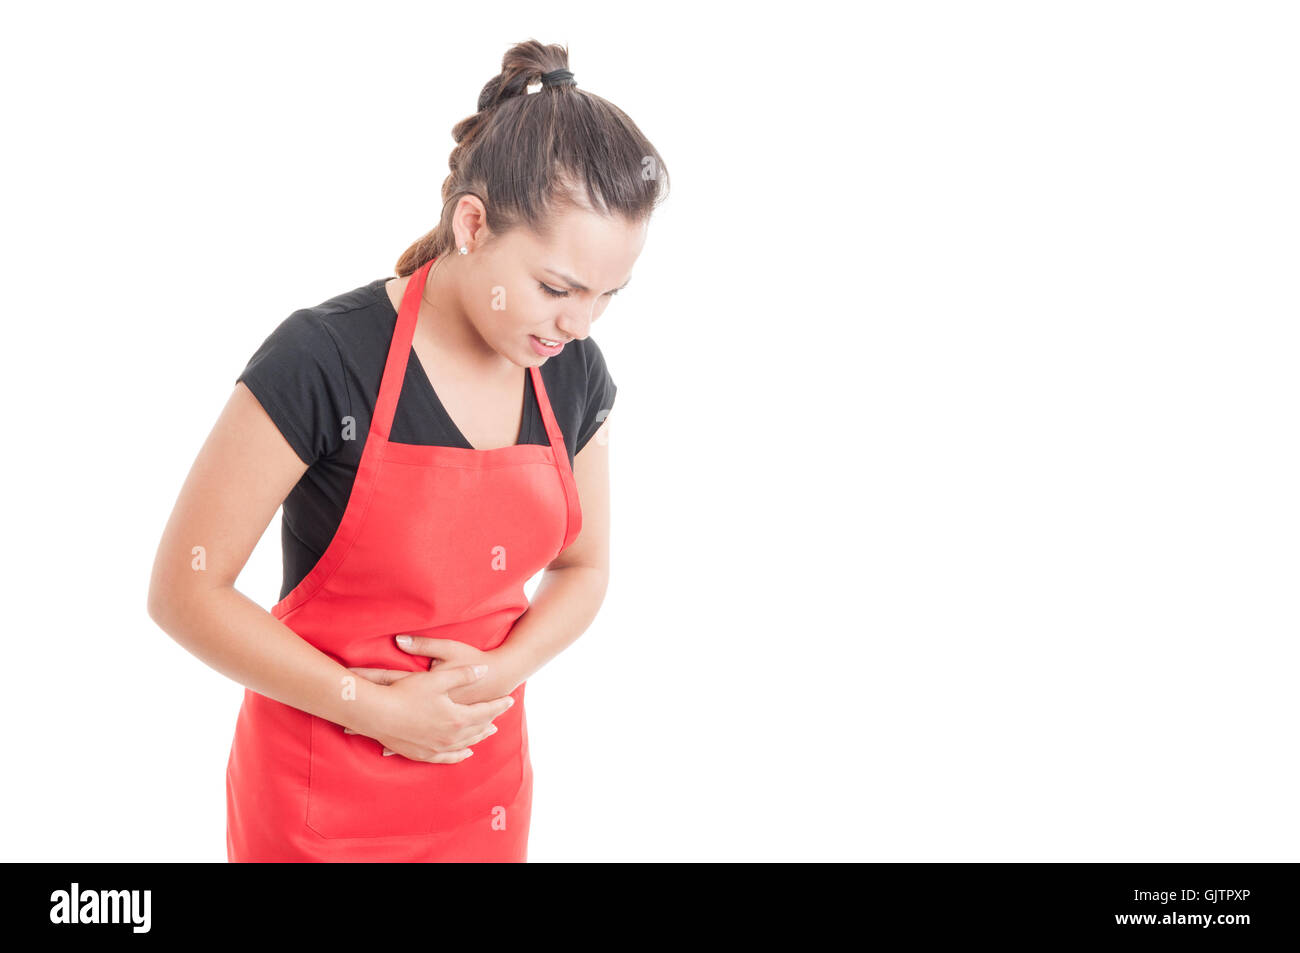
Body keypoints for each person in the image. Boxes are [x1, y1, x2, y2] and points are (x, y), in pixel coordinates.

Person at [146, 39, 669, 862]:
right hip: (316, 799)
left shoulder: (573, 375)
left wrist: (502, 670)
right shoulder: (323, 359)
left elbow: (586, 565)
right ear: (473, 223)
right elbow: (184, 590)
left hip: (479, 793)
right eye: (557, 288)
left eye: (608, 297)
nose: (578, 325)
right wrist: (369, 705)